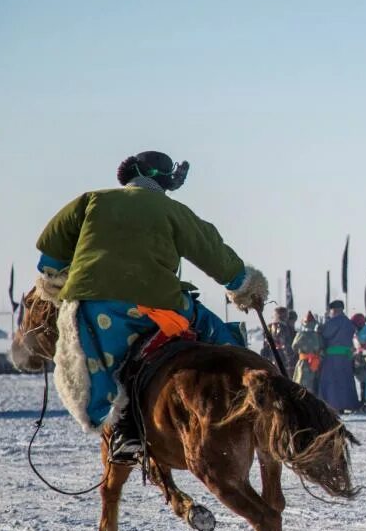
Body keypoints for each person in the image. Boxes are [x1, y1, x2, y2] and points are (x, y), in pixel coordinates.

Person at [32, 151, 267, 464]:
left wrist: (58, 277)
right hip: (155, 305)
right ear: (164, 181)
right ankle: (254, 400)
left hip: (93, 311)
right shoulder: (171, 210)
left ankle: (124, 432)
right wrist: (246, 288)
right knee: (216, 332)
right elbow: (214, 254)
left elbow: (49, 256)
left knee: (113, 373)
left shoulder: (91, 201)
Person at [318, 300, 360, 412]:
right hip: (346, 357)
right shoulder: (348, 322)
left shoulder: (333, 322)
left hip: (332, 357)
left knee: (332, 382)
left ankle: (334, 406)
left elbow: (325, 334)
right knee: (346, 381)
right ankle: (349, 404)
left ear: (334, 310)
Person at [291, 311, 324, 392]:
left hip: (303, 363)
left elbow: (294, 346)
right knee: (314, 385)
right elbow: (322, 348)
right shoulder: (317, 335)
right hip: (315, 364)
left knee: (300, 383)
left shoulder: (300, 334)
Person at [261, 305, 296, 371]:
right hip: (282, 357)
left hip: (272, 355)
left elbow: (265, 345)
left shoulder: (269, 327)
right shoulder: (283, 327)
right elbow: (285, 345)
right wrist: (290, 359)